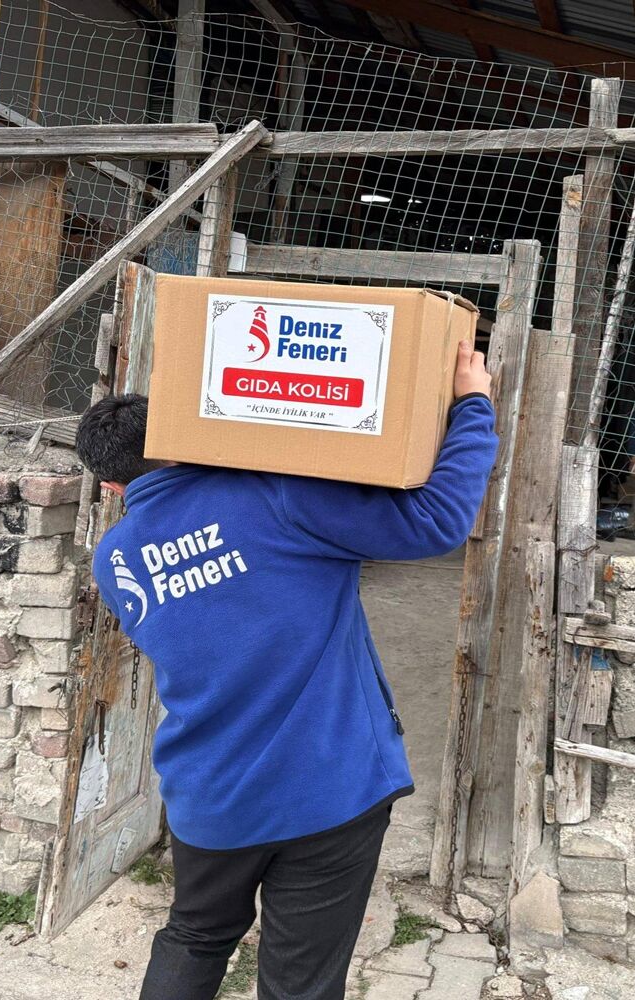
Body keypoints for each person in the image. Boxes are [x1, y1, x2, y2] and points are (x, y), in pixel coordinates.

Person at [73, 341, 497, 1000]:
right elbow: (437, 520)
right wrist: (473, 407)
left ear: (109, 486)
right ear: (183, 439)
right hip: (328, 793)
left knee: (194, 935)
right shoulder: (276, 495)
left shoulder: (115, 560)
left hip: (211, 798)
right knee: (300, 983)